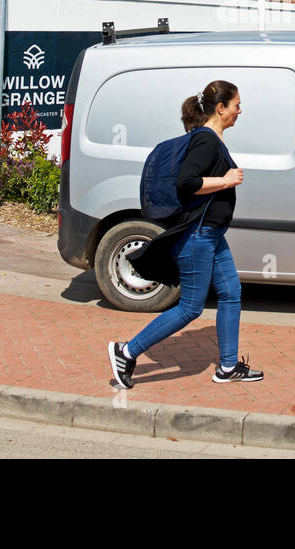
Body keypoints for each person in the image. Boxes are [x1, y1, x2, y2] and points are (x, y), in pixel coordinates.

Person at [108, 80, 264, 389]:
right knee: (191, 307)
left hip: (212, 235)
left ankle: (229, 366)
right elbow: (186, 182)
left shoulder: (211, 139)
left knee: (231, 293)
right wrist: (226, 180)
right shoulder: (205, 141)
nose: (239, 110)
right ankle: (127, 351)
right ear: (220, 108)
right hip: (198, 235)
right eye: (236, 105)